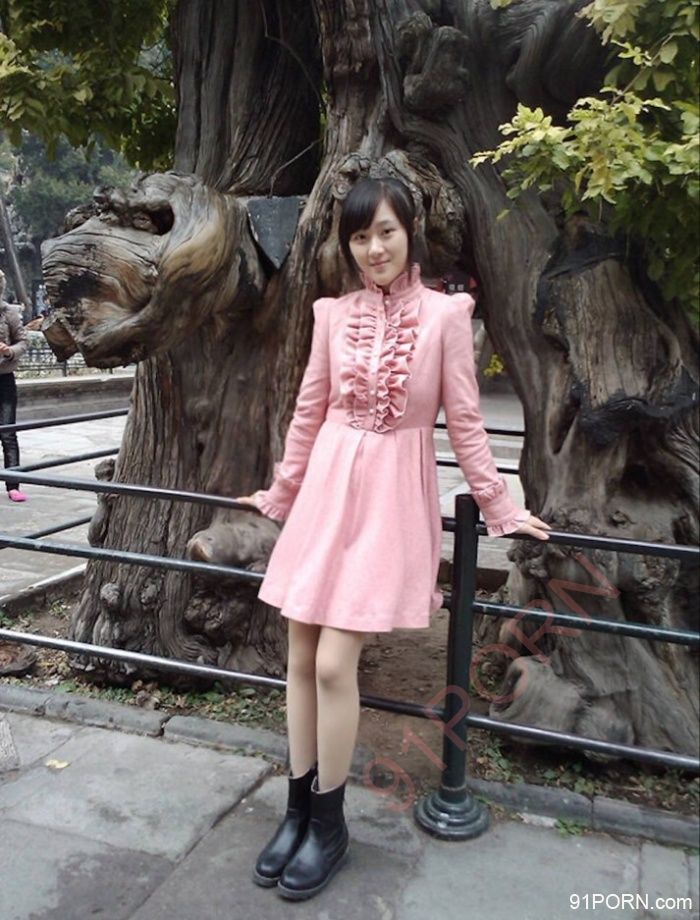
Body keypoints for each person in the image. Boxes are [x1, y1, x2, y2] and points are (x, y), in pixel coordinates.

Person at [236, 178, 550, 901]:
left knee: (333, 664)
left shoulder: (446, 316)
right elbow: (308, 412)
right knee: (300, 655)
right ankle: (297, 810)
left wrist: (500, 506)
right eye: (359, 236)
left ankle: (329, 823)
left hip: (386, 499)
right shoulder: (331, 314)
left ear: (410, 232)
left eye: (385, 232)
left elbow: (465, 422)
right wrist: (281, 492)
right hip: (325, 491)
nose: (373, 248)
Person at [0, 269, 29, 502]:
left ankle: (13, 484)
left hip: (4, 379)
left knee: (8, 432)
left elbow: (23, 341)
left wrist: (9, 351)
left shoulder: (9, 312)